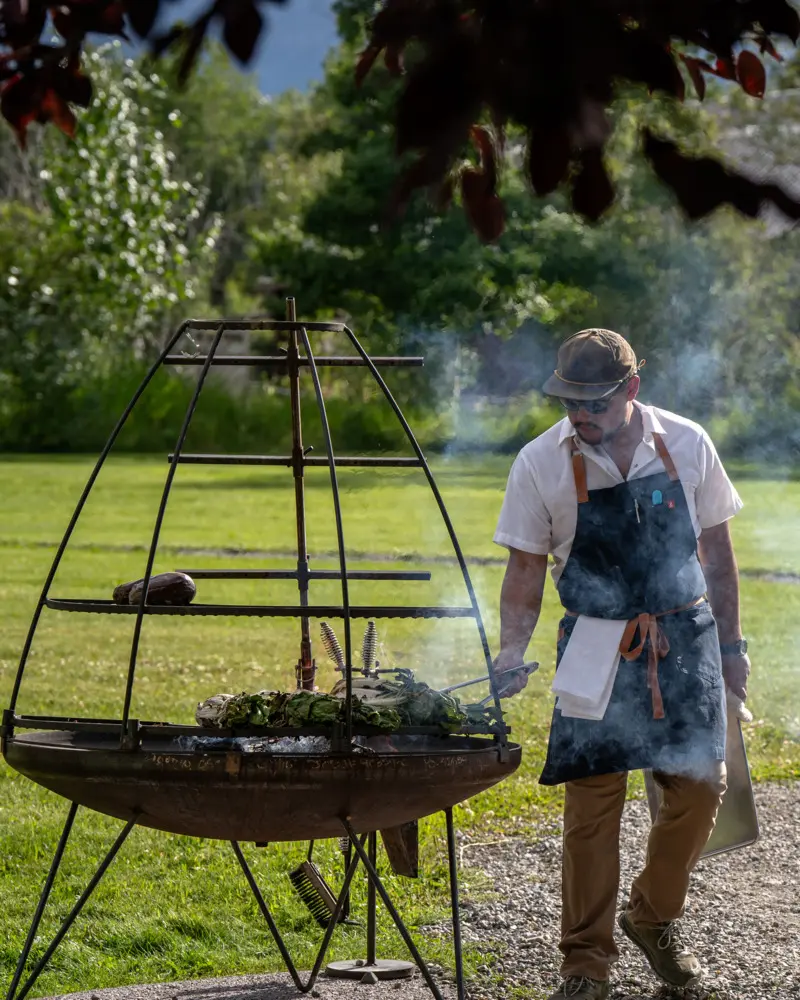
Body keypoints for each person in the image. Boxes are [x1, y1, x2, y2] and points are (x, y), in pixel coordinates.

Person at [492, 329, 750, 1000]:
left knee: (702, 788)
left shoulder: (688, 443)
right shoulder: (539, 461)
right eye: (569, 401)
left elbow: (718, 556)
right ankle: (584, 965)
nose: (580, 416)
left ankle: (653, 919)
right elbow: (524, 567)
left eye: (594, 404)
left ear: (631, 391)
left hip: (682, 639)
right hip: (593, 647)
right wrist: (510, 651)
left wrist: (732, 649)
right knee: (592, 808)